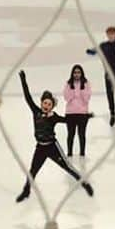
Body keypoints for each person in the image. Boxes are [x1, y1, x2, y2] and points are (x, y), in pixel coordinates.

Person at [16, 70, 94, 202]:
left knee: (67, 167)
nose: (46, 106)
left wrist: (85, 116)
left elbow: (69, 120)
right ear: (41, 103)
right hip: (40, 148)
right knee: (32, 171)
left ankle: (84, 183)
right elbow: (27, 97)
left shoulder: (54, 117)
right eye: (44, 103)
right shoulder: (36, 112)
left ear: (52, 106)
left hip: (52, 147)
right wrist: (23, 80)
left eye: (49, 104)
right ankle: (26, 191)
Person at [63, 64, 92, 157]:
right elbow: (67, 97)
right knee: (70, 135)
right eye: (75, 72)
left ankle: (82, 153)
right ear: (72, 74)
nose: (77, 74)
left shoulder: (86, 83)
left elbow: (87, 98)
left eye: (78, 72)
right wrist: (74, 90)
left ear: (81, 73)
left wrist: (81, 90)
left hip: (83, 113)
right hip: (70, 113)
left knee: (82, 134)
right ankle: (69, 153)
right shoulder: (68, 84)